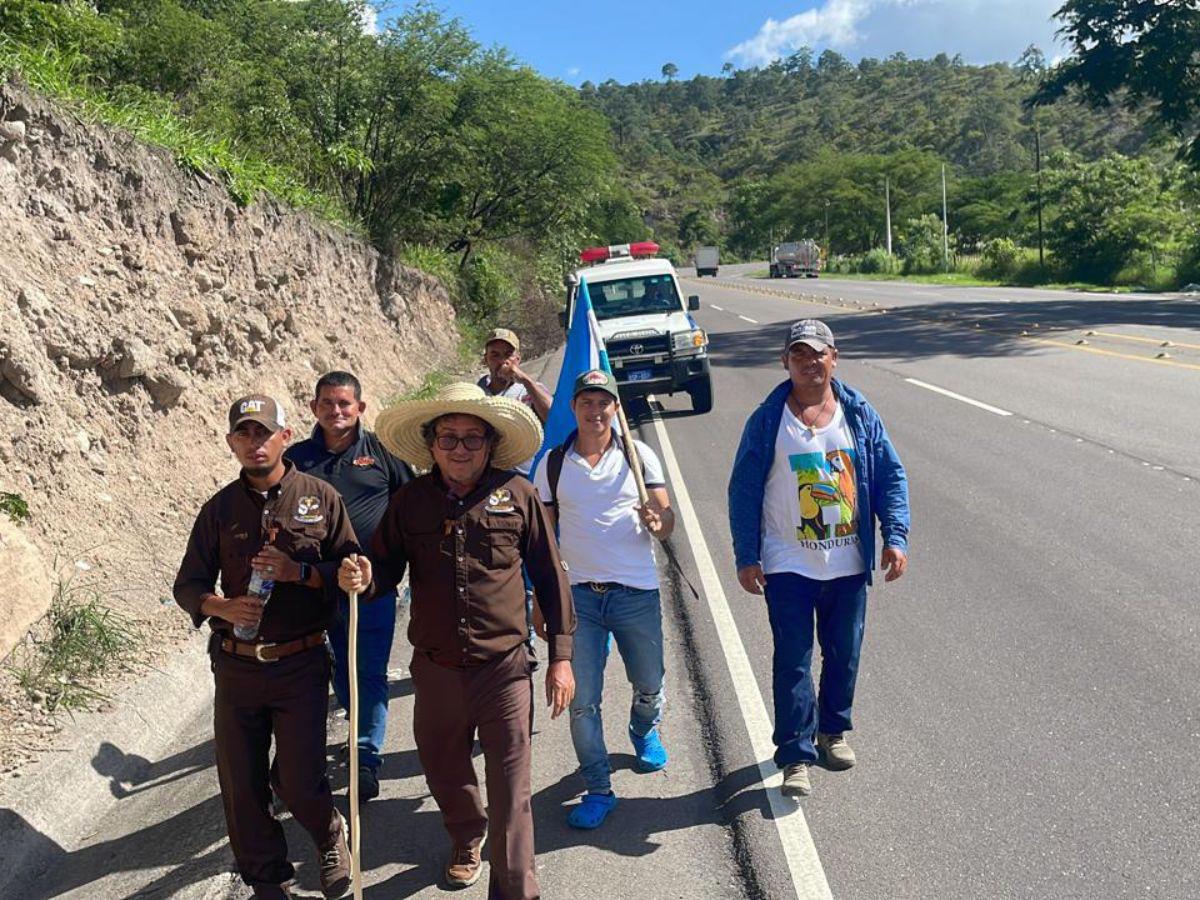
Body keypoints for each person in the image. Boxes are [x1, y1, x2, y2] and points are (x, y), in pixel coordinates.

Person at [337, 382, 576, 899]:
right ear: (432, 445)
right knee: (443, 767)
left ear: (490, 444)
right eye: (449, 437)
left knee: (511, 792)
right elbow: (383, 570)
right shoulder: (409, 502)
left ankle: (515, 890)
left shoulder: (519, 494)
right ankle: (467, 835)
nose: (460, 448)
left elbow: (550, 575)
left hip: (504, 669)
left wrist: (561, 656)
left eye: (472, 438)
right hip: (436, 668)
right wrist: (363, 577)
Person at [173, 394, 363, 899]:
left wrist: (299, 571)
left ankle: (329, 833)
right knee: (242, 785)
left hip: (301, 662)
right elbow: (188, 585)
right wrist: (223, 607)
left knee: (299, 779)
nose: (254, 442)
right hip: (237, 667)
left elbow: (349, 567)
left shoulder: (321, 497)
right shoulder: (218, 510)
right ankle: (267, 881)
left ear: (285, 436)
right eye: (244, 433)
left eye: (264, 432)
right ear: (231, 442)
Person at [727, 319, 910, 799]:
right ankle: (795, 755)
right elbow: (743, 489)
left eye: (819, 353)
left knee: (844, 654)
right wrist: (747, 555)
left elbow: (890, 476)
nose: (810, 362)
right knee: (793, 659)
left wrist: (895, 536)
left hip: (848, 562)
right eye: (800, 354)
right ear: (785, 361)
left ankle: (832, 731)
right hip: (787, 561)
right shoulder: (768, 420)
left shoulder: (858, 414)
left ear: (835, 357)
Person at [532, 369, 675, 830]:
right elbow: (541, 539)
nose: (595, 411)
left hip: (636, 592)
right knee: (582, 701)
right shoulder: (553, 463)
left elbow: (666, 521)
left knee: (649, 682)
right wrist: (540, 597)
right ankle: (598, 787)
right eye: (586, 403)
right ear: (573, 408)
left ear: (616, 407)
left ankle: (643, 727)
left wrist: (659, 521)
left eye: (603, 402)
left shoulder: (639, 455)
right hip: (579, 599)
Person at [284, 371, 414, 802]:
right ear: (313, 407)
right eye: (327, 403)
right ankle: (348, 725)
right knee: (338, 668)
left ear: (360, 407)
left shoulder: (383, 452)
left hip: (371, 588)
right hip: (313, 587)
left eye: (344, 403)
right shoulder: (296, 459)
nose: (335, 411)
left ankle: (365, 756)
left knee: (369, 670)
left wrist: (397, 565)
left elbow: (413, 505)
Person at [477, 328, 552, 474]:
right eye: (495, 355)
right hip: (488, 474)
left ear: (518, 359)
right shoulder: (476, 393)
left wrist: (525, 380)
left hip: (526, 474)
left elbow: (554, 418)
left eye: (508, 355)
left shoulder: (531, 390)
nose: (502, 361)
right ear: (486, 360)